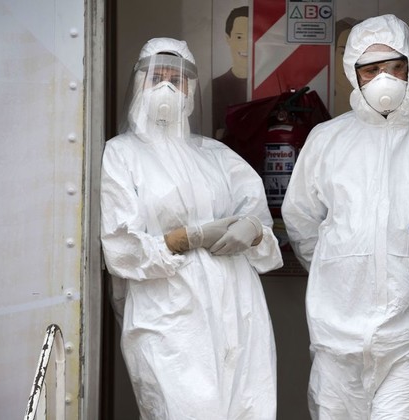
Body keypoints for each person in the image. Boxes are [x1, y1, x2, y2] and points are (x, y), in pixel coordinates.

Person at [100, 37, 283, 420]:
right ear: (139, 83)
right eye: (157, 78)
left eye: (177, 79)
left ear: (191, 88)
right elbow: (122, 249)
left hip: (239, 312)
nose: (167, 87)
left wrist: (252, 228)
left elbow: (261, 226)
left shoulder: (215, 155)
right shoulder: (122, 153)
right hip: (169, 317)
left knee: (249, 409)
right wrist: (186, 238)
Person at [281, 15, 409, 419]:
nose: (384, 79)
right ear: (353, 73)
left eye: (395, 67)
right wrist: (340, 266)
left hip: (406, 339)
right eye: (371, 70)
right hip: (336, 337)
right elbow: (301, 219)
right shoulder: (328, 139)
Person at [212, 6, 249, 139]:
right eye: (239, 37)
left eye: (251, 37)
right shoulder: (216, 87)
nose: (246, 45)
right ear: (228, 38)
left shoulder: (269, 85)